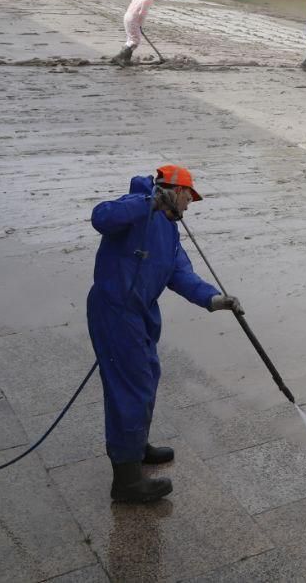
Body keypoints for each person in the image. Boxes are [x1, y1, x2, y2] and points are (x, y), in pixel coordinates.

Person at [86, 164, 242, 503]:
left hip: (140, 315)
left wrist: (214, 299)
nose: (189, 206)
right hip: (114, 312)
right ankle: (126, 480)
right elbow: (101, 217)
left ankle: (136, 446)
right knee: (130, 387)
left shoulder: (170, 232)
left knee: (146, 377)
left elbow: (180, 273)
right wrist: (149, 202)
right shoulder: (135, 205)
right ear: (177, 191)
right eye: (189, 198)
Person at [110, 0, 159, 66]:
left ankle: (126, 60)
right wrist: (140, 24)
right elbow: (142, 14)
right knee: (135, 40)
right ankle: (118, 57)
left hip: (127, 16)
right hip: (133, 19)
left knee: (130, 39)